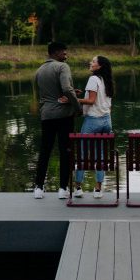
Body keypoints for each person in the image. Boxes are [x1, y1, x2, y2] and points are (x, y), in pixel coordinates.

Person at [61, 56, 114, 199]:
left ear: (100, 66)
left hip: (93, 121)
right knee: (101, 156)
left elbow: (91, 101)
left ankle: (78, 187)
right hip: (107, 121)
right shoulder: (107, 81)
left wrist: (71, 100)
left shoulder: (93, 79)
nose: (90, 63)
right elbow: (106, 104)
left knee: (82, 155)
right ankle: (98, 189)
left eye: (94, 61)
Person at [33, 41, 81, 199]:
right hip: (63, 116)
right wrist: (78, 108)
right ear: (55, 53)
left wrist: (71, 93)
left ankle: (39, 188)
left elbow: (42, 96)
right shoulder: (62, 67)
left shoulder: (39, 70)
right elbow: (66, 89)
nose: (66, 56)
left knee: (45, 151)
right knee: (65, 151)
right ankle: (62, 188)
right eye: (64, 53)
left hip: (46, 115)